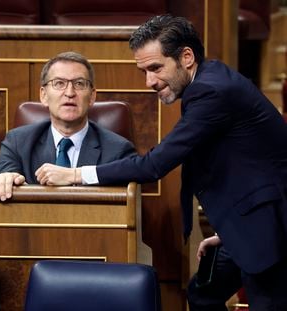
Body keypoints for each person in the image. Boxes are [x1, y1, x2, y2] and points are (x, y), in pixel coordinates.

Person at [35, 15, 287, 310]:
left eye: (155, 68)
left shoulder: (212, 92)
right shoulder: (208, 82)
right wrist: (227, 232)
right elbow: (245, 162)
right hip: (247, 221)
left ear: (187, 57)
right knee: (203, 294)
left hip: (272, 228)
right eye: (144, 71)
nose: (149, 82)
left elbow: (154, 165)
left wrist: (76, 175)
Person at [0, 51, 136, 201]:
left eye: (79, 84)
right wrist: (6, 179)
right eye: (59, 83)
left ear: (92, 97)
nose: (70, 93)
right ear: (43, 95)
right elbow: (8, 185)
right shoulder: (17, 143)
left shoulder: (118, 150)